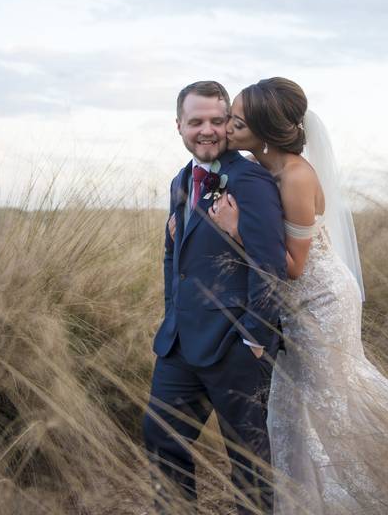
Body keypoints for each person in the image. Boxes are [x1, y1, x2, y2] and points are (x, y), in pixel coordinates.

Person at [207, 77, 388, 514]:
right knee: (286, 413)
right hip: (293, 305)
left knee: (331, 408)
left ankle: (384, 496)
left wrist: (235, 230)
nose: (227, 126)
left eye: (237, 121)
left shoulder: (297, 176)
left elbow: (294, 266)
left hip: (321, 301)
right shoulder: (262, 169)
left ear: (264, 132)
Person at [143, 80, 286, 514]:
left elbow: (270, 265)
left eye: (216, 121)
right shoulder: (180, 180)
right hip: (180, 345)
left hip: (236, 347)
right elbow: (176, 258)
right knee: (160, 437)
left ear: (229, 124)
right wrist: (172, 316)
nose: (206, 130)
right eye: (196, 121)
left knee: (246, 462)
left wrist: (255, 339)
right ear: (179, 126)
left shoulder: (251, 180)